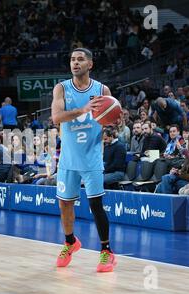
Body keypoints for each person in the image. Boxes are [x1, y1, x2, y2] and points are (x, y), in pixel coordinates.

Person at [51, 48, 118, 273]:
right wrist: (83, 110)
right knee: (64, 204)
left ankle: (106, 252)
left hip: (91, 158)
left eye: (80, 59)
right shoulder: (61, 88)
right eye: (72, 59)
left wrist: (116, 120)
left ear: (90, 64)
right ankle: (70, 242)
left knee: (95, 205)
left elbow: (114, 119)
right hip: (69, 159)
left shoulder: (101, 90)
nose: (75, 63)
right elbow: (56, 117)